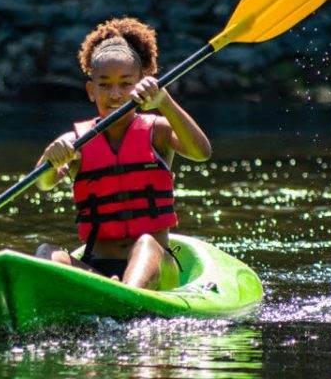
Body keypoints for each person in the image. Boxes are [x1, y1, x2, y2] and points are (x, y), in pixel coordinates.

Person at [34, 17, 211, 290]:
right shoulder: (75, 142)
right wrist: (49, 158)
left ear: (142, 84)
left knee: (146, 243)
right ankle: (113, 290)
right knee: (46, 253)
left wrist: (164, 101)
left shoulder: (159, 132)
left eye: (126, 83)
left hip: (156, 263)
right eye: (104, 85)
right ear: (91, 91)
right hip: (97, 268)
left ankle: (127, 293)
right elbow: (43, 182)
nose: (115, 93)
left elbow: (201, 152)